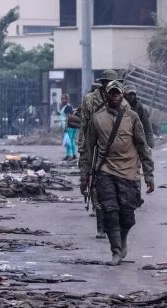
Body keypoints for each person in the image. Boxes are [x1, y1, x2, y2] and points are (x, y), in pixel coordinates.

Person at [83, 81, 154, 266]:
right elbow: (89, 150)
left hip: (129, 172)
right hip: (105, 170)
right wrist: (86, 176)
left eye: (117, 93)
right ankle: (115, 250)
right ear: (106, 96)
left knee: (127, 216)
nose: (114, 96)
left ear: (122, 95)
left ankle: (122, 241)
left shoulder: (132, 117)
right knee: (110, 212)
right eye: (111, 93)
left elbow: (142, 146)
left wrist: (149, 174)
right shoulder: (97, 119)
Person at [71, 69, 131, 238]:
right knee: (96, 188)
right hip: (94, 148)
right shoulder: (90, 100)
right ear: (103, 83)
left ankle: (113, 223)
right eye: (108, 83)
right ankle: (101, 226)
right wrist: (84, 150)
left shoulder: (123, 102)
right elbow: (84, 125)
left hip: (116, 150)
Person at [124, 84, 154, 151]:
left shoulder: (140, 108)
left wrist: (149, 144)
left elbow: (147, 127)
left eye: (133, 94)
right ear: (124, 95)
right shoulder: (120, 106)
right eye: (129, 94)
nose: (131, 97)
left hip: (137, 138)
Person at [60, 94, 77, 161]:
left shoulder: (67, 107)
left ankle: (68, 155)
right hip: (73, 126)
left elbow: (68, 117)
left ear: (67, 99)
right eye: (61, 99)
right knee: (71, 140)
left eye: (64, 99)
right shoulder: (69, 106)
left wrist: (66, 126)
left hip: (69, 126)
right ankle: (73, 155)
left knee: (68, 141)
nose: (62, 100)